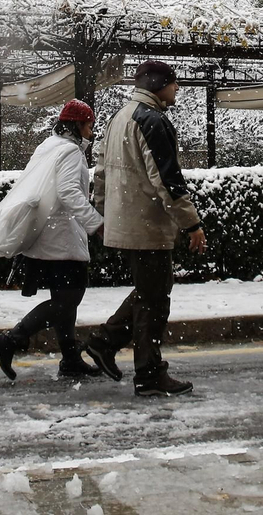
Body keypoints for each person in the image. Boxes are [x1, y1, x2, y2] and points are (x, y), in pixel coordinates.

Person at [83, 59, 208, 397]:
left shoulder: (118, 118)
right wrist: (191, 223)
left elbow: (102, 173)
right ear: (157, 84)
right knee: (154, 301)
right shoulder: (151, 120)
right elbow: (166, 181)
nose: (177, 88)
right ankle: (149, 375)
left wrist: (104, 217)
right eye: (173, 82)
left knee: (149, 292)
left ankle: (104, 343)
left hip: (126, 223)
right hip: (147, 225)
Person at [0, 99, 106, 381]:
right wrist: (95, 223)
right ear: (78, 125)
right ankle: (12, 338)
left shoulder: (49, 146)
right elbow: (68, 192)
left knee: (63, 299)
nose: (93, 128)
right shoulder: (70, 152)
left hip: (47, 235)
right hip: (61, 238)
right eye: (89, 123)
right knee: (68, 299)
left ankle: (70, 359)